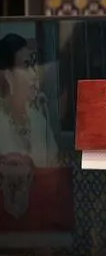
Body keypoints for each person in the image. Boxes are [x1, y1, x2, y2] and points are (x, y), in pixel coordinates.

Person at [0, 34, 58, 168]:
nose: (34, 75)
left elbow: (53, 167)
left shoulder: (38, 120)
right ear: (7, 74)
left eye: (34, 67)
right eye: (26, 67)